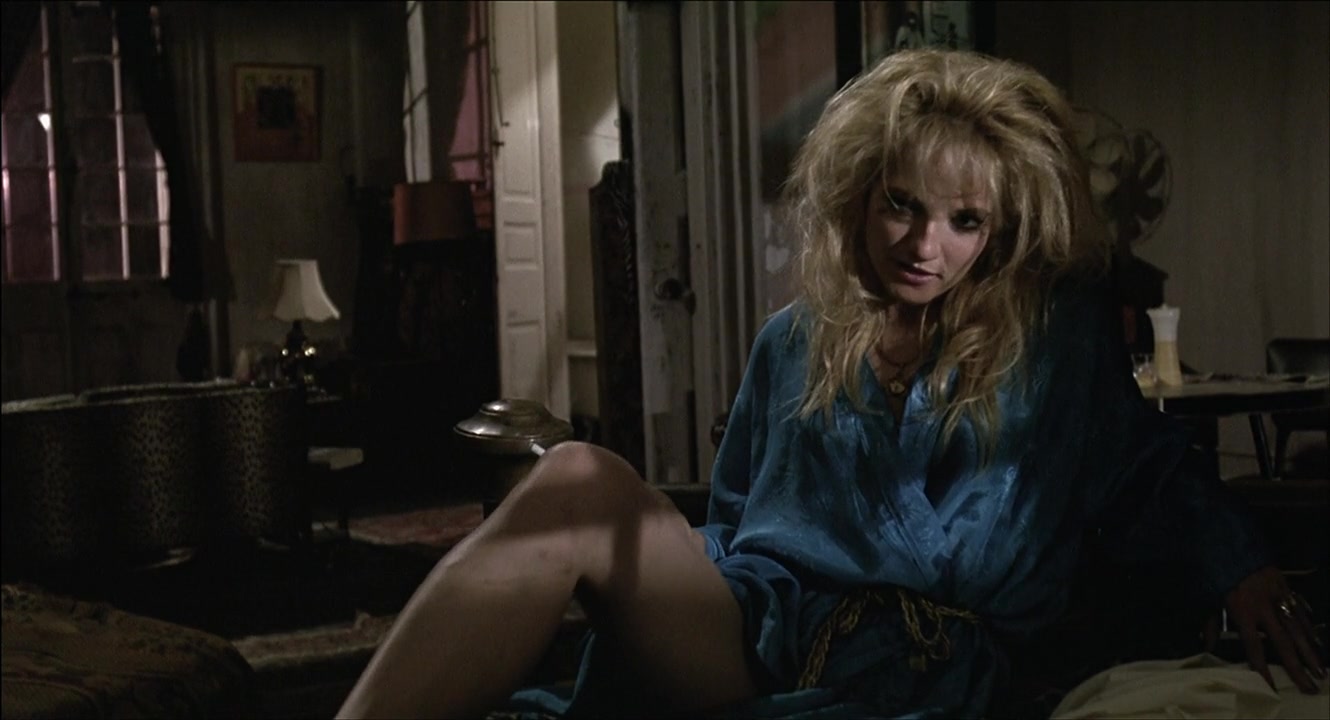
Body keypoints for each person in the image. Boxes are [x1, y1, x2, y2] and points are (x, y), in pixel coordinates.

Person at [338, 49, 1324, 719]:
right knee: (575, 477)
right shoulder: (793, 340)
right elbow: (735, 515)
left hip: (924, 663)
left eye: (963, 221)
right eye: (901, 205)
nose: (924, 245)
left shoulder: (1052, 342)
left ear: (1001, 229)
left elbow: (1144, 467)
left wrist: (1237, 563)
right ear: (859, 196)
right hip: (758, 624)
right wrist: (655, 586)